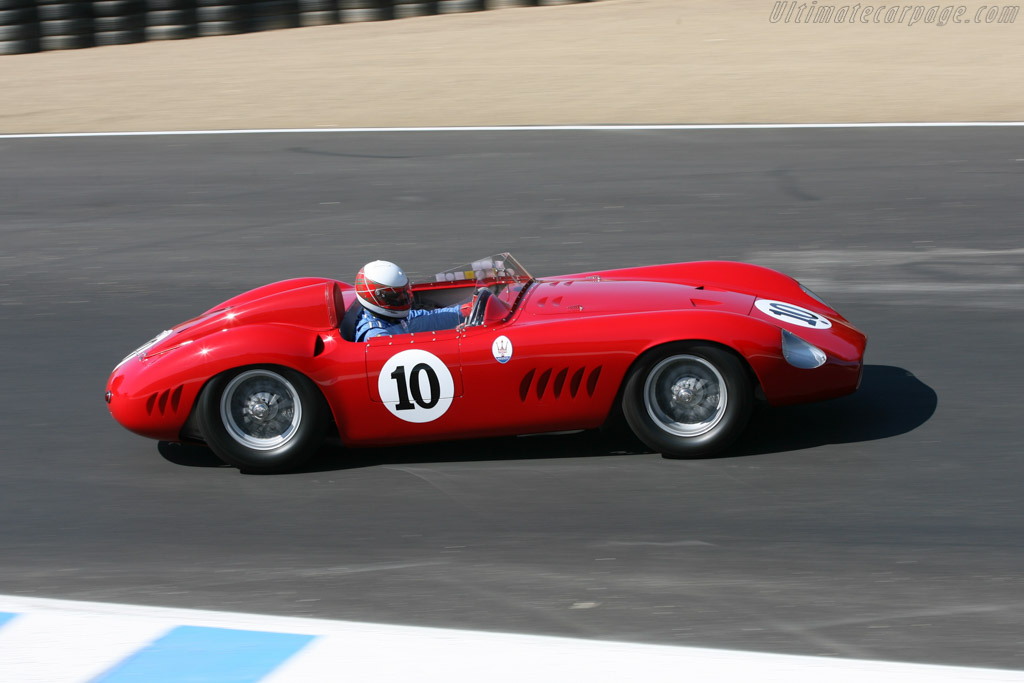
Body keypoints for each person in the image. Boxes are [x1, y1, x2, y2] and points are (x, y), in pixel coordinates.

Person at [354, 260, 466, 342]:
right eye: (396, 295)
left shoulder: (394, 318)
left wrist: (466, 310)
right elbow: (403, 354)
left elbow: (431, 319)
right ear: (377, 297)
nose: (403, 298)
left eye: (404, 292)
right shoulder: (375, 334)